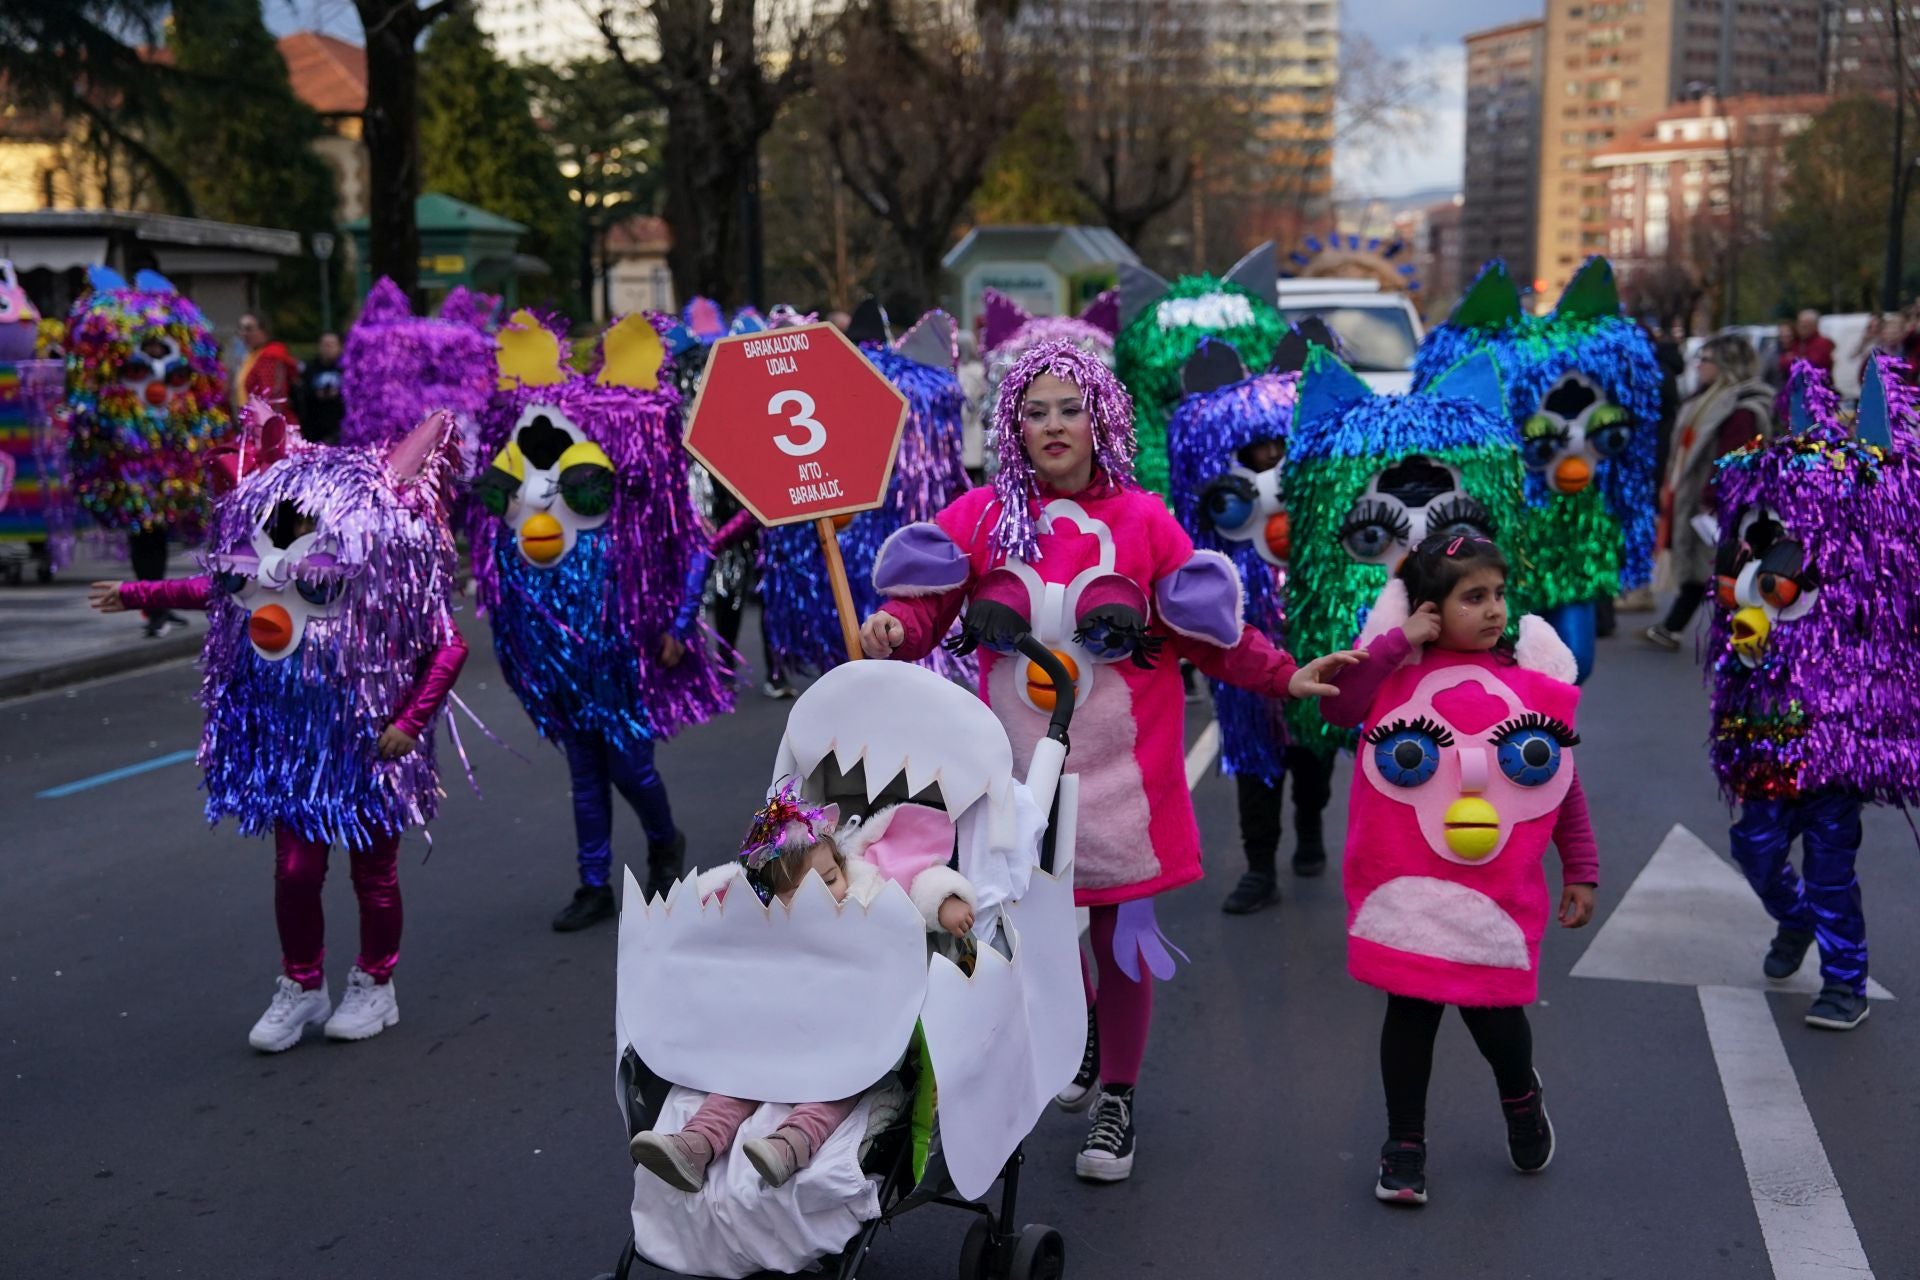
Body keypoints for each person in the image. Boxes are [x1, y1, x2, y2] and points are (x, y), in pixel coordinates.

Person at [859, 339, 1359, 1183]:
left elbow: (1210, 631)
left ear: (1103, 420)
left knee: (1121, 938)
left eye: (1070, 408)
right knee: (1030, 933)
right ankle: (1078, 1032)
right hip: (1010, 777)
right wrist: (892, 632)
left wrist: (1282, 674)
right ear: (1011, 424)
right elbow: (926, 608)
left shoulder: (1144, 520)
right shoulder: (979, 516)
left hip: (1121, 777)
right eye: (1034, 410)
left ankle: (1117, 1097)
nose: (1052, 425)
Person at [87, 404, 467, 1051]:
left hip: (371, 743)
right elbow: (214, 587)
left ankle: (376, 984)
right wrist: (135, 594)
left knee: (373, 875)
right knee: (294, 872)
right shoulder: (266, 562)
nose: (273, 578)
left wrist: (410, 720)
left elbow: (448, 646)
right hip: (293, 747)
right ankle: (302, 985)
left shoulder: (388, 572)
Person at [1320, 534, 1596, 1207]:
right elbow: (1337, 703)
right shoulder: (1392, 676)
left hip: (1497, 893)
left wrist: (1580, 867)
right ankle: (1404, 1146)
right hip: (1410, 887)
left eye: (1499, 594)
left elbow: (1557, 781)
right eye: (1475, 597)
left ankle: (1521, 1098)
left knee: (1497, 1020)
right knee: (1410, 1014)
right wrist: (1396, 639)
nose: (1496, 609)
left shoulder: (1529, 683)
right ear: (1429, 610)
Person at [628, 783, 975, 1193]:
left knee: (832, 1092)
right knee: (736, 1083)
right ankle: (694, 1144)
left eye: (830, 878)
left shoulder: (867, 893)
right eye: (803, 892)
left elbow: (916, 884)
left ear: (843, 866)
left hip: (856, 1037)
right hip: (778, 1027)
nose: (827, 893)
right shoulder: (765, 916)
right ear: (772, 897)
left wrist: (945, 901)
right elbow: (718, 898)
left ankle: (791, 1145)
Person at [1645, 334, 1773, 650]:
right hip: (1698, 498)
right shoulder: (1709, 399)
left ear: (1726, 365)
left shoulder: (1741, 408)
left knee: (1722, 569)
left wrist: (1712, 498)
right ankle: (1681, 627)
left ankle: (1740, 635)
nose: (1699, 366)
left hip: (1718, 504)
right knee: (1709, 569)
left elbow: (1736, 458)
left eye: (1706, 360)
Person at [233, 312, 302, 421]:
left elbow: (272, 397)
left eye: (249, 329)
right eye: (241, 329)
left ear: (264, 331)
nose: (243, 333)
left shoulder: (271, 355)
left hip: (269, 425)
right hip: (256, 421)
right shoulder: (252, 355)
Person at [299, 331, 345, 446]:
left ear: (340, 347)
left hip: (338, 424)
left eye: (332, 345)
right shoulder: (310, 368)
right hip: (314, 425)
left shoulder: (346, 369)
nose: (328, 348)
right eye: (325, 344)